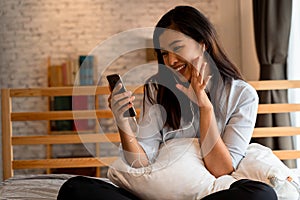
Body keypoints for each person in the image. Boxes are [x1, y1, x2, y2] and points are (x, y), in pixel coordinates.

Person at [57, 5, 277, 200]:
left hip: (209, 194)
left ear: (203, 44)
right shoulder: (157, 90)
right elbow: (140, 164)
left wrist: (205, 108)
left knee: (262, 195)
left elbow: (221, 170)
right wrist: (123, 124)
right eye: (163, 54)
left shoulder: (242, 95)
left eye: (177, 48)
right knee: (75, 188)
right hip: (158, 191)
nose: (170, 60)